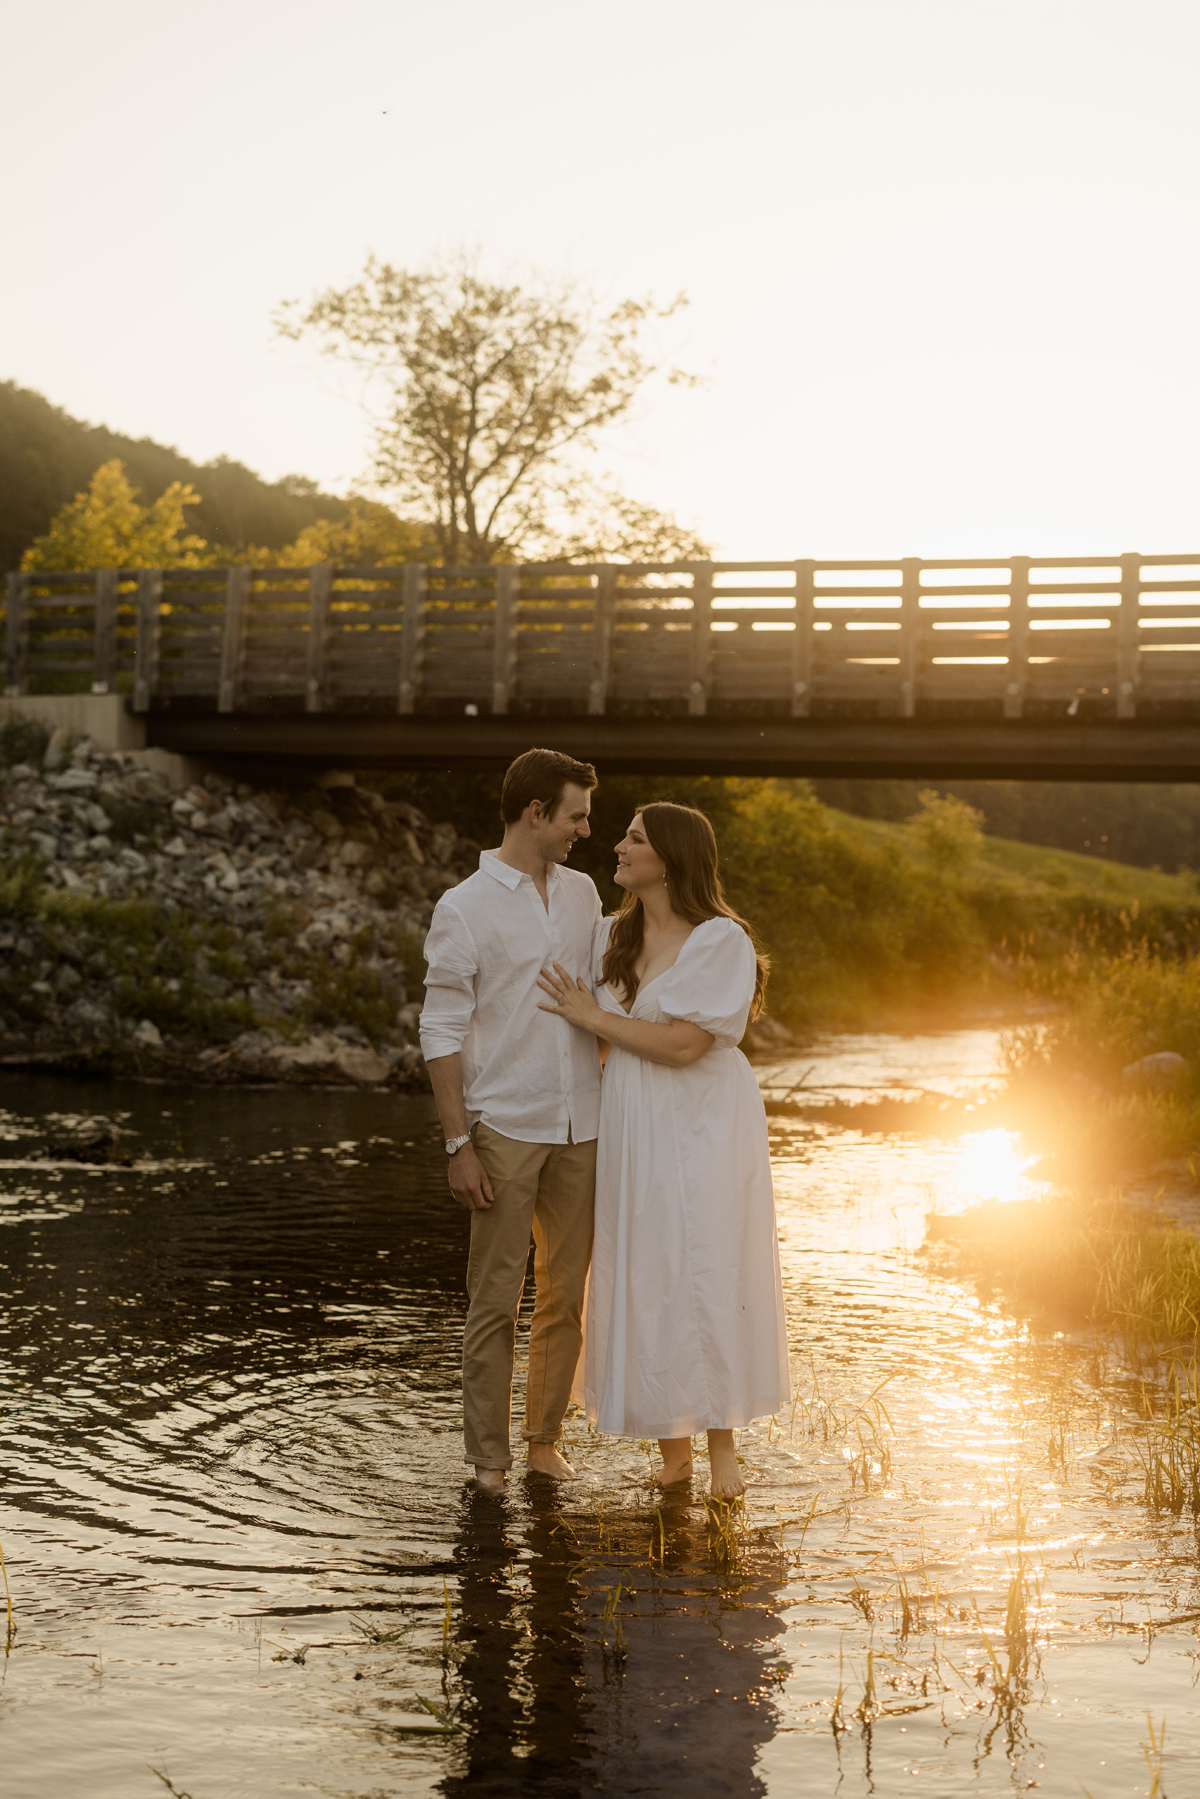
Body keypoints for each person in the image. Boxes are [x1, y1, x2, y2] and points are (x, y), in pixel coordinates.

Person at [537, 801, 790, 1498]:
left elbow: (684, 1044)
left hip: (705, 1118)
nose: (617, 845)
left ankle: (723, 1453)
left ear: (671, 857)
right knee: (651, 1268)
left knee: (707, 1263)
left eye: (635, 838)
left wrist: (598, 1018)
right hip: (634, 1117)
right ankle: (674, 1452)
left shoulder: (721, 940)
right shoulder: (610, 935)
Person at [420, 747, 603, 1494]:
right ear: (536, 812)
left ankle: (542, 1441)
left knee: (566, 1295)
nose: (585, 830)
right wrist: (458, 1141)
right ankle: (488, 1461)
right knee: (495, 1298)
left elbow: (605, 992)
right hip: (503, 1126)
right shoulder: (463, 906)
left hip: (581, 1124)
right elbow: (440, 1028)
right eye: (576, 815)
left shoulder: (586, 894)